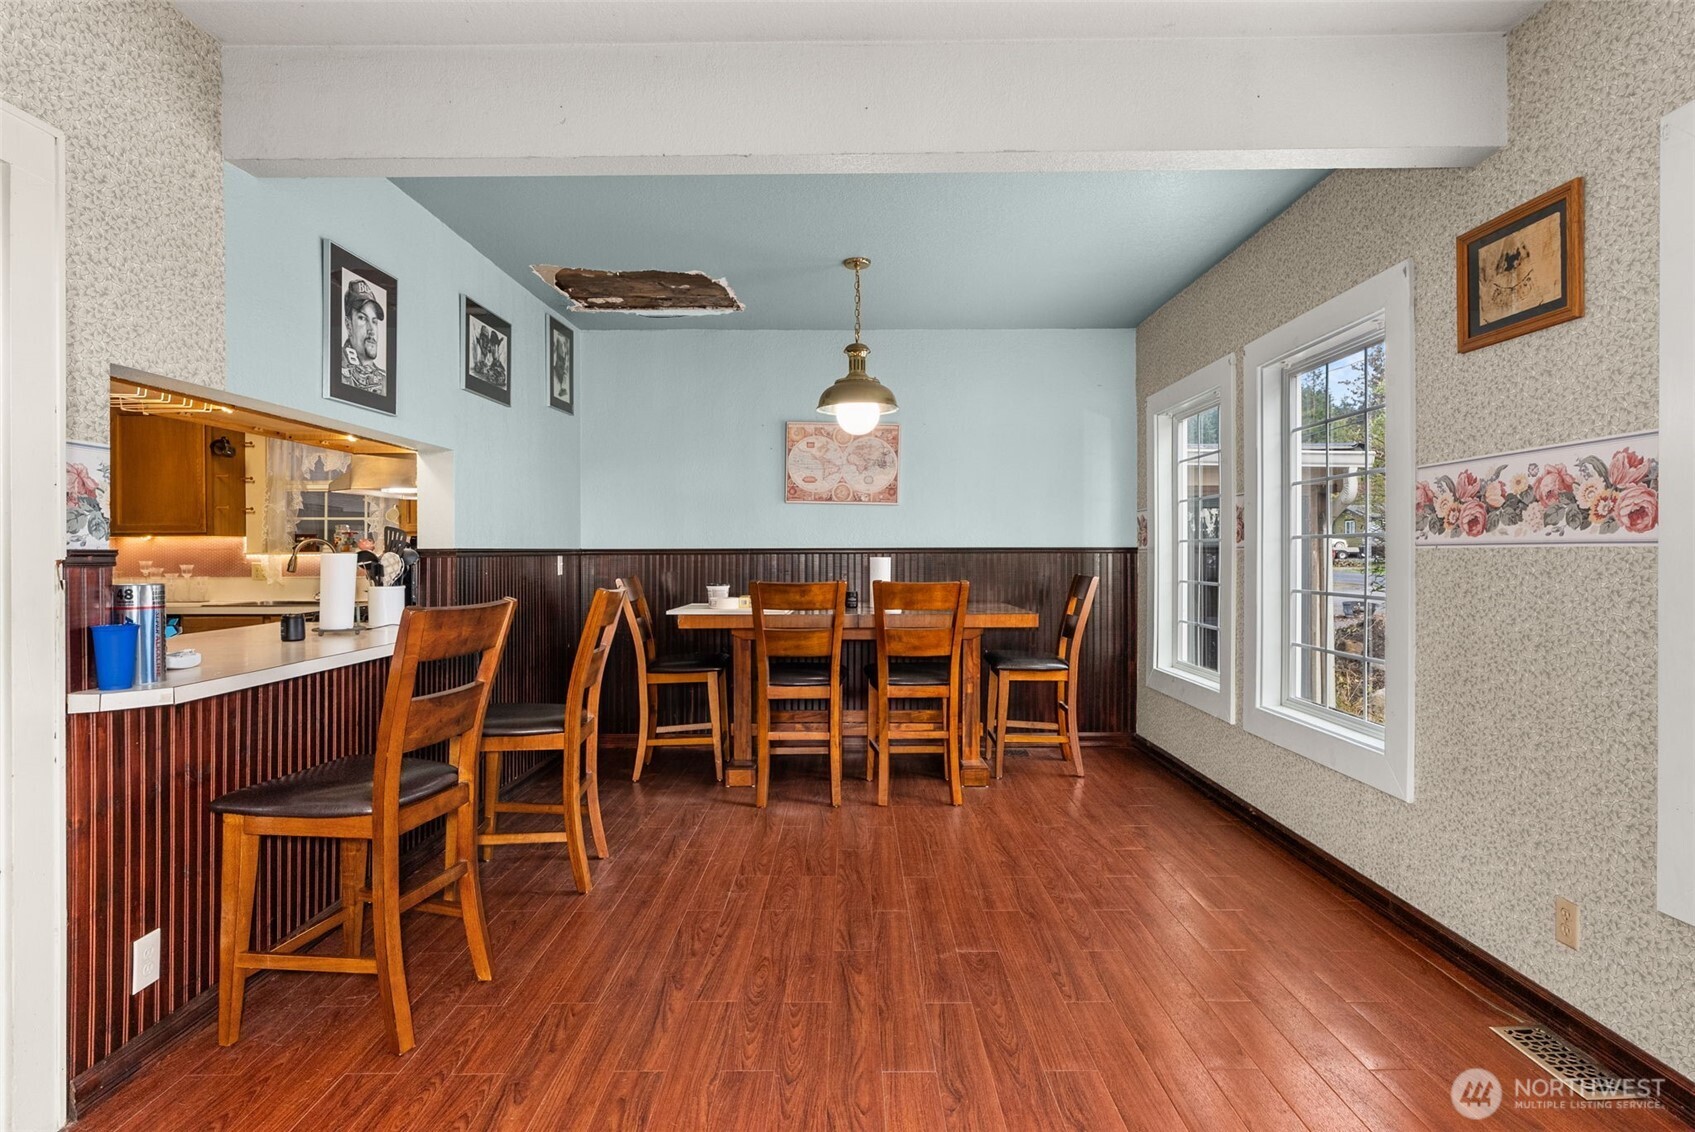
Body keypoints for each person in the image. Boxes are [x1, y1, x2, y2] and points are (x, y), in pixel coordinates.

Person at [340, 279, 387, 393]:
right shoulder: (337, 371)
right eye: (362, 318)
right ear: (348, 325)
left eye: (374, 321)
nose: (371, 330)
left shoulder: (385, 381)